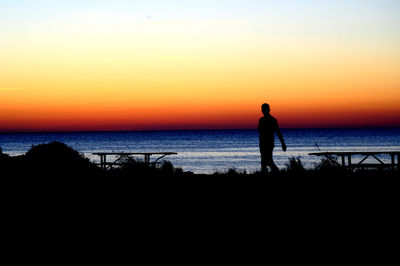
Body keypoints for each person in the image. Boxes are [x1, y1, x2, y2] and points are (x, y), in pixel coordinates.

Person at [258, 103, 286, 173]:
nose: (263, 111)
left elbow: (278, 132)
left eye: (264, 109)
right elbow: (260, 131)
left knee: (268, 161)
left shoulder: (273, 120)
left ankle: (276, 171)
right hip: (262, 144)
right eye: (262, 109)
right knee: (264, 162)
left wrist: (283, 143)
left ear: (269, 110)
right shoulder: (261, 120)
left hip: (269, 144)